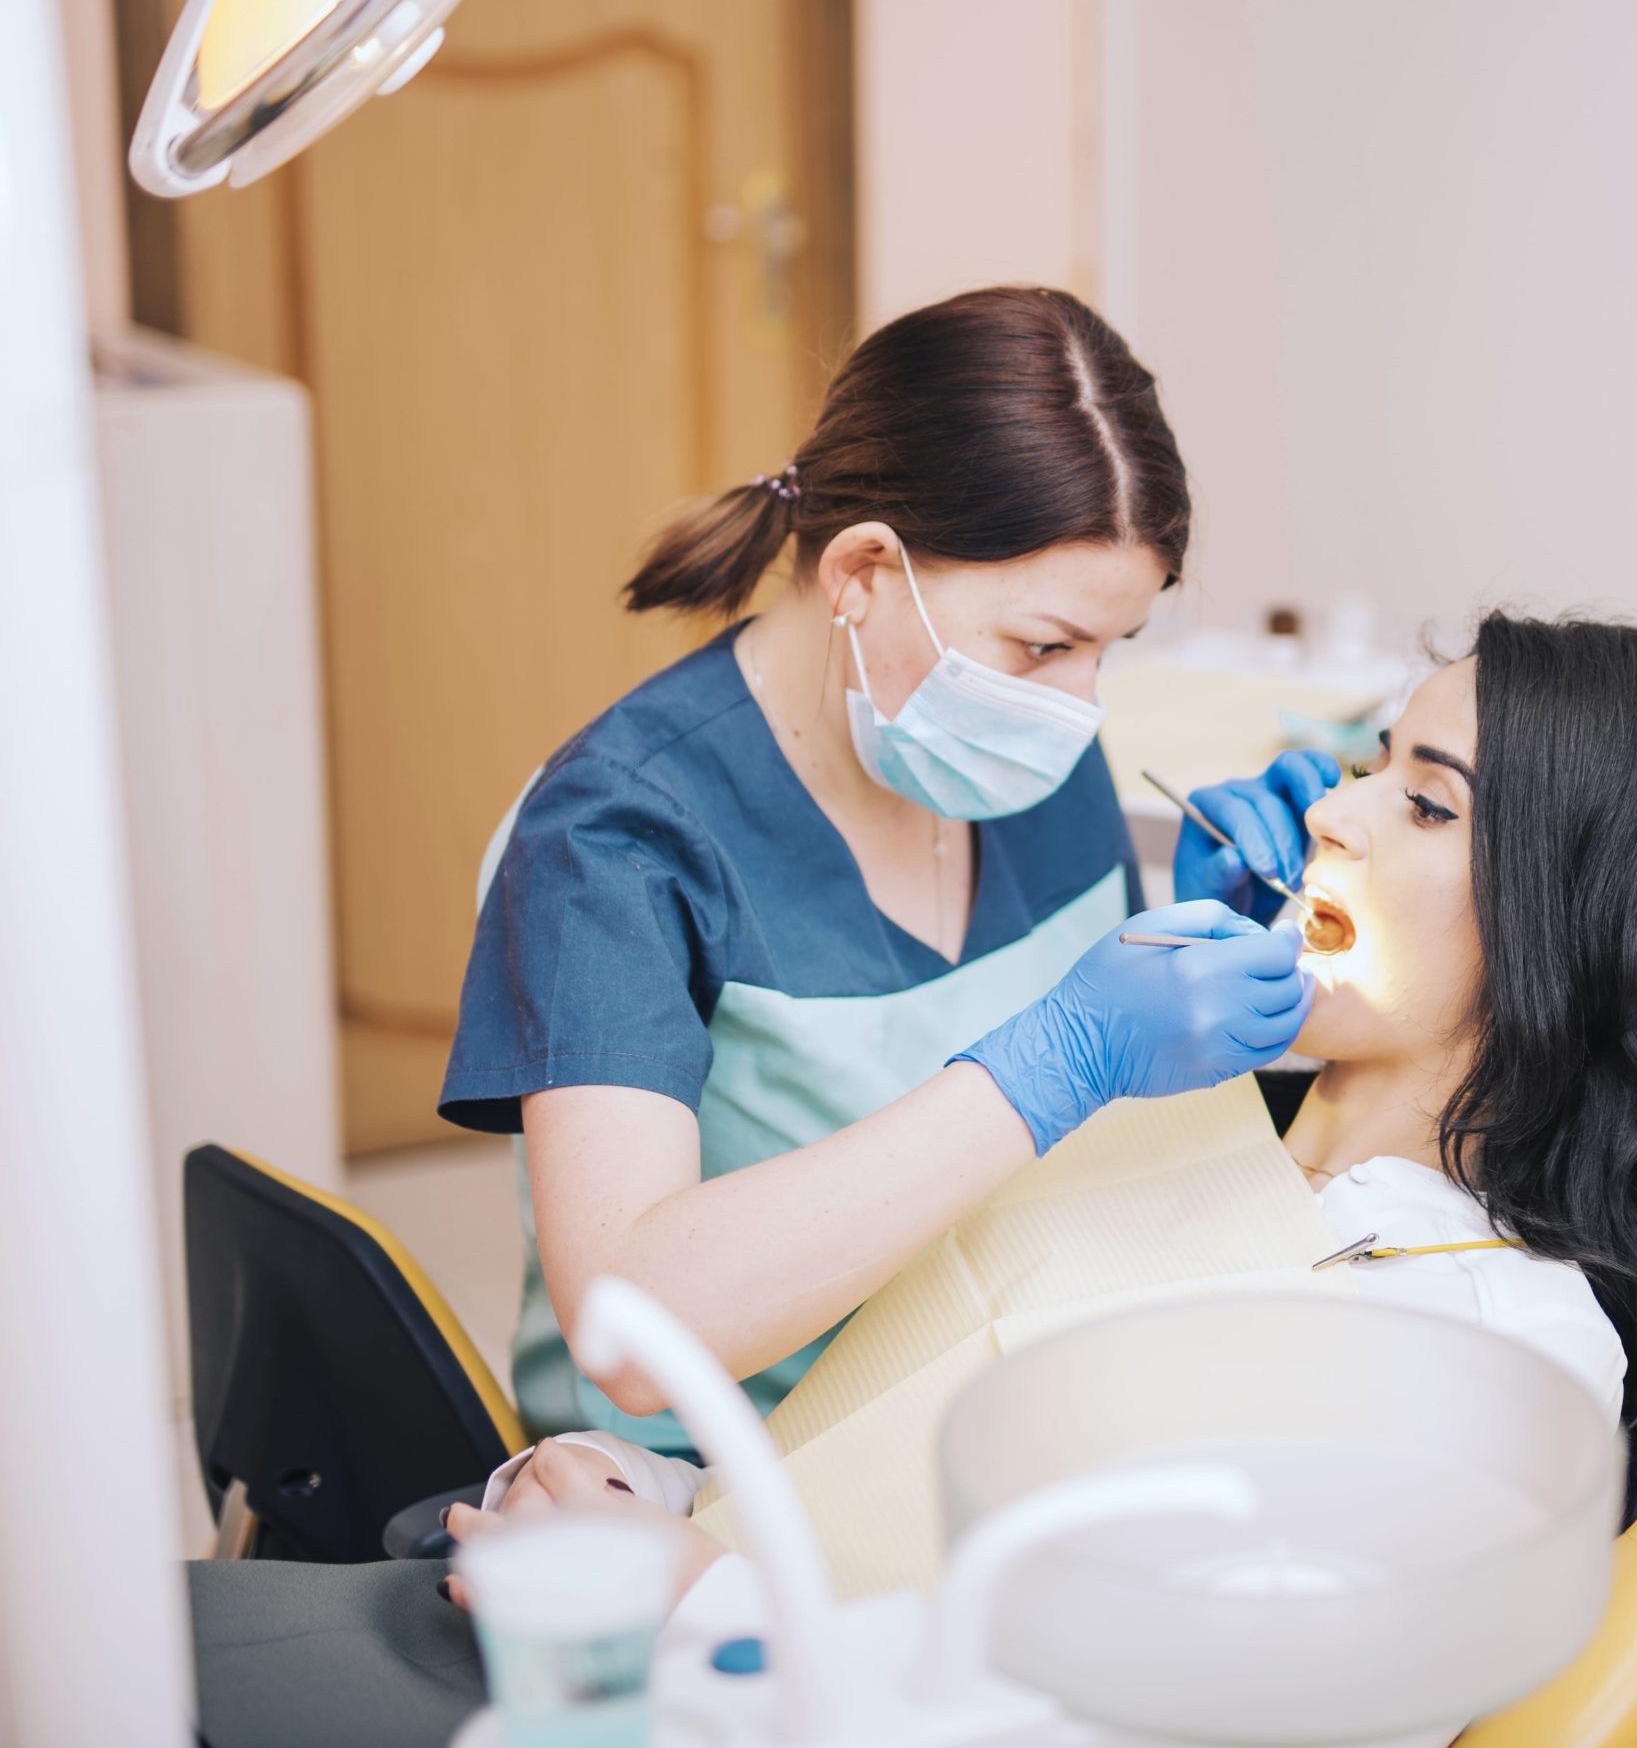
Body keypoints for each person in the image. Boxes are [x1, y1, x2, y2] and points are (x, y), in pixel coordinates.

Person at [451, 611, 1637, 1617]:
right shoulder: (1180, 1121)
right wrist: (644, 1487)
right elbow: (890, 1449)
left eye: (1425, 805)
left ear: (1570, 936)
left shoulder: (1489, 1348)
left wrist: (712, 1606)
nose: (1335, 815)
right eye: (1373, 759)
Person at [438, 285, 1337, 1451]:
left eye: (1108, 650)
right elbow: (629, 1323)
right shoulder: (610, 836)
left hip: (1006, 1399)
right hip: (733, 1483)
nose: (1080, 706)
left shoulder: (1026, 750)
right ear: (862, 571)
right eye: (1046, 644)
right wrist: (1054, 1058)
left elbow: (1077, 1132)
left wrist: (1207, 941)